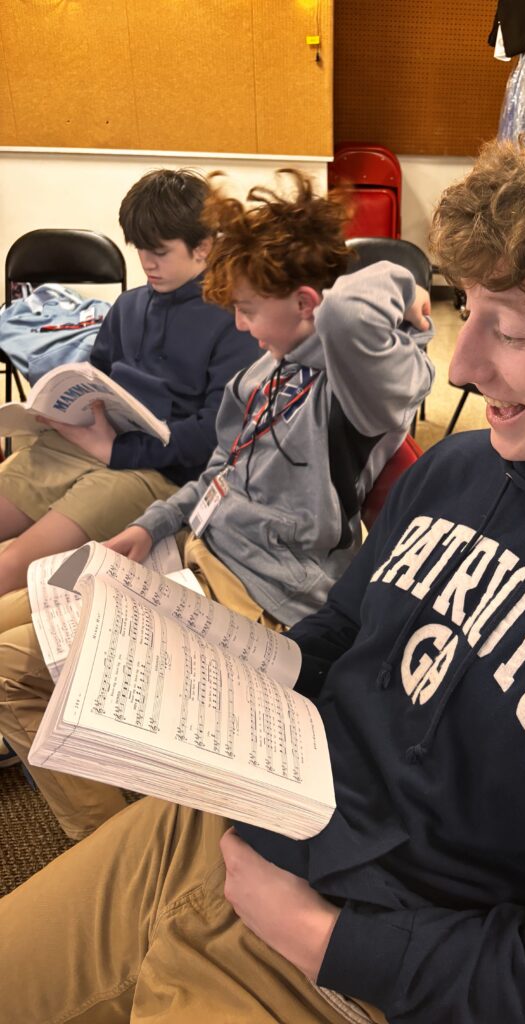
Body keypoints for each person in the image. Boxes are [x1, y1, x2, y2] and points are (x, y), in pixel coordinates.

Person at [2, 132, 525, 1024]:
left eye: (509, 330)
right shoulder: (460, 469)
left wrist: (323, 940)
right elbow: (339, 636)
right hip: (220, 829)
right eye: (466, 310)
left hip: (356, 968)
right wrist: (192, 673)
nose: (461, 365)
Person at [0, 169, 435, 837]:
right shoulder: (261, 373)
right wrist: (150, 527)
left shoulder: (357, 391)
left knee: (10, 672)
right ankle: (113, 813)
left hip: (260, 594)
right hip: (188, 552)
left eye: (249, 307)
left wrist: (400, 283)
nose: (238, 323)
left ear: (307, 302)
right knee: (12, 626)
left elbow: (350, 310)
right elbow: (216, 472)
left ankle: (113, 847)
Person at [0, 168, 255, 597]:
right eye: (140, 249)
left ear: (204, 247)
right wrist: (58, 411)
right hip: (83, 447)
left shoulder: (236, 321)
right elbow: (96, 376)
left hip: (152, 472)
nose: (147, 263)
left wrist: (117, 450)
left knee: (11, 567)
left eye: (160, 251)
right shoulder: (129, 305)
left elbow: (213, 435)